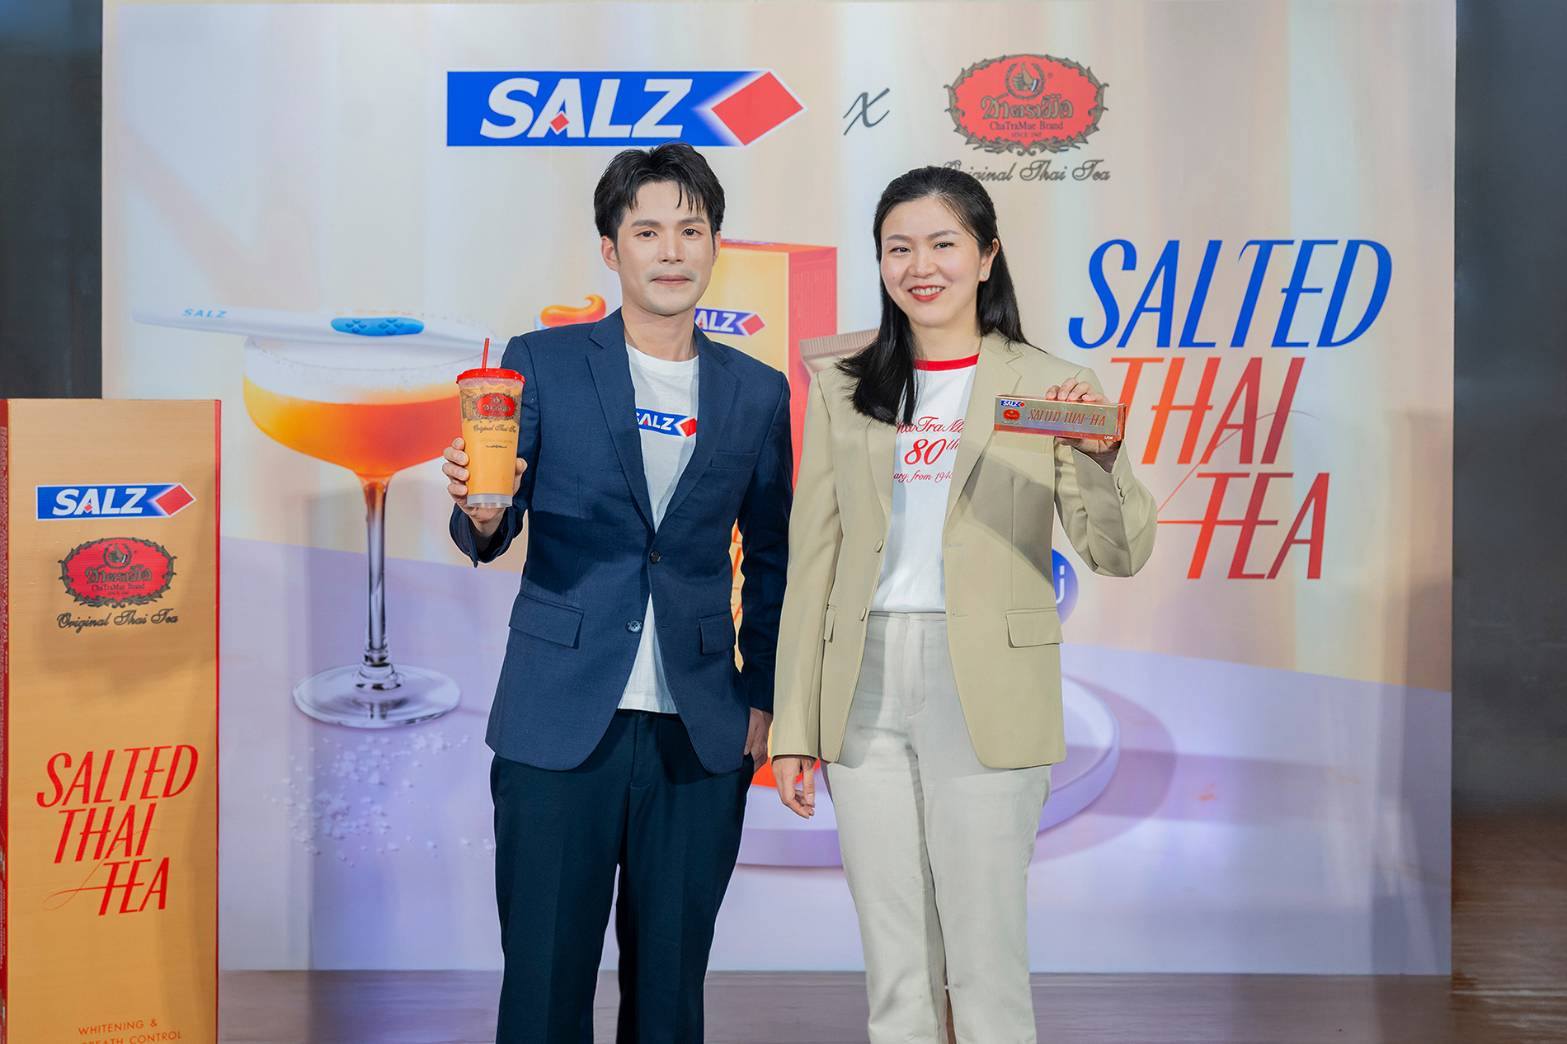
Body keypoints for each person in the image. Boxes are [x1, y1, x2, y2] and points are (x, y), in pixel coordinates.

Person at [769, 165, 1156, 1043]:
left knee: (985, 961)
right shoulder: (842, 383)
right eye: (898, 248)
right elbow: (813, 560)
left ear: (986, 257)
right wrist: (794, 724)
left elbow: (1117, 552)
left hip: (986, 683)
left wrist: (1101, 460)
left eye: (943, 244)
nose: (920, 266)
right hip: (861, 688)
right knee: (895, 965)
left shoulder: (1052, 384)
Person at [443, 142, 792, 1044]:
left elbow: (775, 555)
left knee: (671, 994)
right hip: (559, 718)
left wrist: (764, 697)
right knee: (543, 987)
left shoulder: (756, 391)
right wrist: (480, 513)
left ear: (715, 245)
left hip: (699, 728)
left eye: (691, 230)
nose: (671, 250)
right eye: (647, 231)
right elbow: (493, 517)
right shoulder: (543, 362)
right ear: (611, 249)